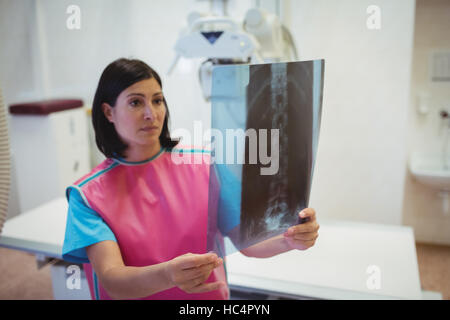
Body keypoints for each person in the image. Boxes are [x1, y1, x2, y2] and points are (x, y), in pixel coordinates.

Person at [62, 58, 320, 300]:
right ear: (108, 112)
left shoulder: (204, 166)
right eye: (135, 102)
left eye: (158, 100)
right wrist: (168, 275)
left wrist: (289, 238)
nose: (151, 113)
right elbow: (113, 280)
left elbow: (248, 242)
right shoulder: (88, 196)